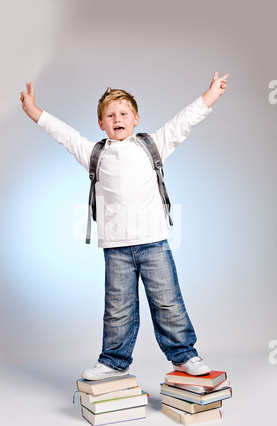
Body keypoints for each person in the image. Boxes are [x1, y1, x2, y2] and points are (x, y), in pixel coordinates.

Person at [20, 72, 229, 380]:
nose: (117, 118)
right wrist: (34, 112)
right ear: (101, 124)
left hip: (154, 242)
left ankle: (184, 355)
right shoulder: (94, 153)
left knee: (168, 302)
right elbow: (64, 134)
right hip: (116, 248)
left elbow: (183, 122)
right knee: (118, 310)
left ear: (136, 119)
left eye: (123, 113)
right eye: (110, 115)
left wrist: (211, 95)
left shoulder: (152, 145)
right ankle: (114, 361)